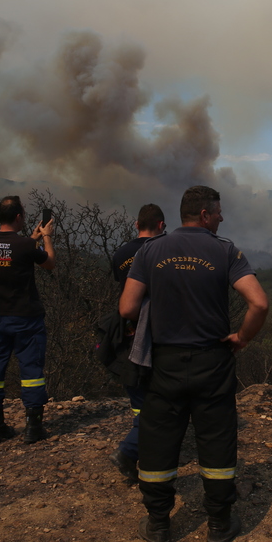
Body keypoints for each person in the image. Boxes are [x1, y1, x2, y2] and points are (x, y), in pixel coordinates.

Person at [120, 185, 268, 542]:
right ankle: (218, 525)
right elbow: (259, 303)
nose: (222, 217)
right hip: (212, 361)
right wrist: (242, 338)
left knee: (158, 441)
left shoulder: (151, 250)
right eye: (218, 212)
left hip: (163, 362)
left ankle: (158, 526)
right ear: (204, 215)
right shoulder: (225, 251)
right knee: (216, 441)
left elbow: (126, 308)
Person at [0, 196, 55, 445]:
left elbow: (10, 256)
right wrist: (45, 237)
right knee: (31, 371)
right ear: (19, 217)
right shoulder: (25, 246)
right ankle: (33, 428)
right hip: (26, 319)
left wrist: (29, 240)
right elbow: (50, 263)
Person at [107, 203, 165, 483]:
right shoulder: (164, 251)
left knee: (140, 397)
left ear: (136, 224)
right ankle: (132, 450)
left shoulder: (120, 254)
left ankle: (143, 445)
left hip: (127, 334)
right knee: (159, 399)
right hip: (156, 333)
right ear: (161, 225)